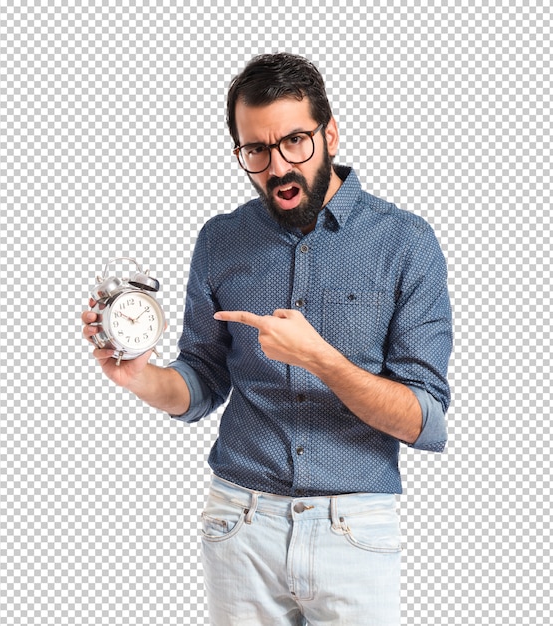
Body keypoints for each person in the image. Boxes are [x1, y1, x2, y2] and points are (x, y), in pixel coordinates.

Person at [82, 52, 452, 626]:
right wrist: (141, 377)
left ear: (330, 132)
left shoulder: (405, 243)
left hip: (354, 527)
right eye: (256, 149)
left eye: (295, 142)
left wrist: (321, 360)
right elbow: (202, 379)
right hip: (240, 523)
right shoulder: (221, 240)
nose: (278, 166)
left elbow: (423, 421)